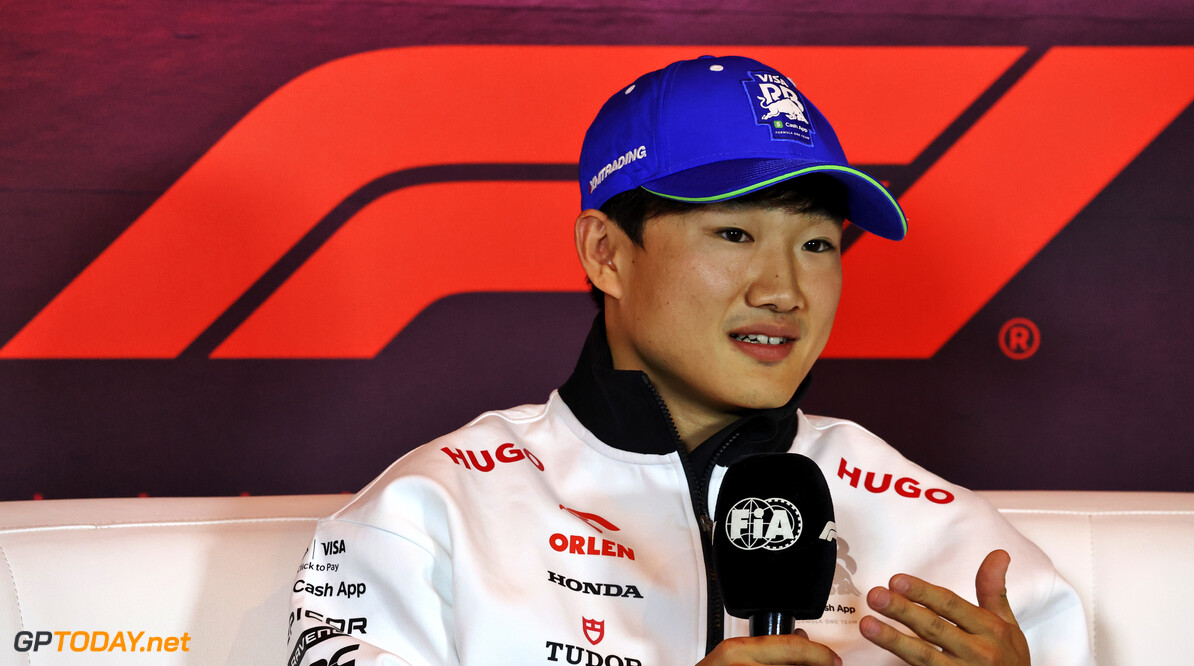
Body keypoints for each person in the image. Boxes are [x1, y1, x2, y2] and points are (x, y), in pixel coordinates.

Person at [287, 55, 1092, 665]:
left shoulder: (954, 543)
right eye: (735, 234)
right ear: (606, 253)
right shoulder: (431, 516)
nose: (784, 291)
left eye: (816, 244)